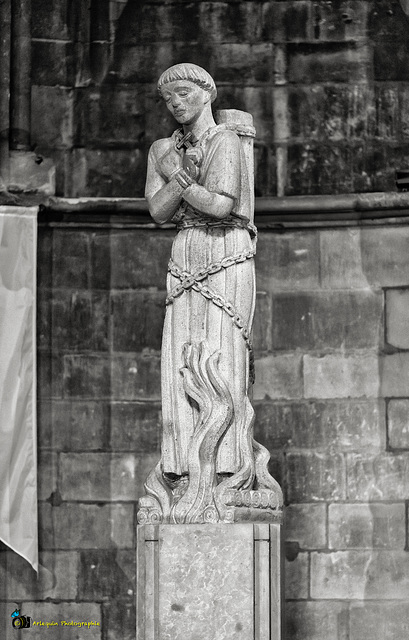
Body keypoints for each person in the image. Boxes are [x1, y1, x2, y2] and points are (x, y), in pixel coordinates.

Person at [145, 63, 257, 481]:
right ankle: (181, 466)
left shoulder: (225, 139)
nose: (176, 103)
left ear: (207, 92)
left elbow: (221, 205)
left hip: (225, 248)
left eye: (185, 93)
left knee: (220, 352)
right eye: (169, 98)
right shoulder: (161, 150)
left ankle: (225, 464)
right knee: (180, 355)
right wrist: (181, 178)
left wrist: (182, 185)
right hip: (186, 249)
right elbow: (157, 211)